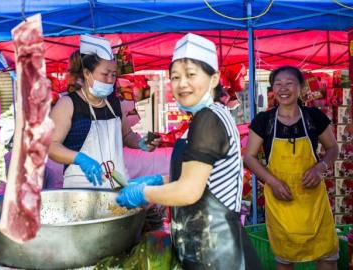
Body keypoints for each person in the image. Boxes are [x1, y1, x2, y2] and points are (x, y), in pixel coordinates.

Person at [115, 33, 262, 270]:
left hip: (218, 255)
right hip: (207, 250)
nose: (182, 83)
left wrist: (145, 193)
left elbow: (189, 191)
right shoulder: (207, 117)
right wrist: (159, 180)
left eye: (191, 75)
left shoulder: (208, 120)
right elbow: (200, 178)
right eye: (175, 77)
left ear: (214, 79)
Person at [244, 66, 339, 270]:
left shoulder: (313, 117)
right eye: (278, 84)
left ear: (301, 87)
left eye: (289, 83)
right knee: (285, 259)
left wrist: (320, 167)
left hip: (313, 202)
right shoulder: (263, 121)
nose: (283, 88)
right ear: (272, 89)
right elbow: (249, 157)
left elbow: (333, 149)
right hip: (281, 200)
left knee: (327, 257)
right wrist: (273, 182)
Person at [48, 34, 159, 188]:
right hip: (82, 190)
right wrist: (79, 158)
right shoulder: (67, 104)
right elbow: (51, 146)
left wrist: (141, 143)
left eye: (113, 75)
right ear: (87, 74)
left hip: (118, 186)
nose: (110, 80)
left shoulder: (115, 103)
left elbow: (127, 136)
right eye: (105, 74)